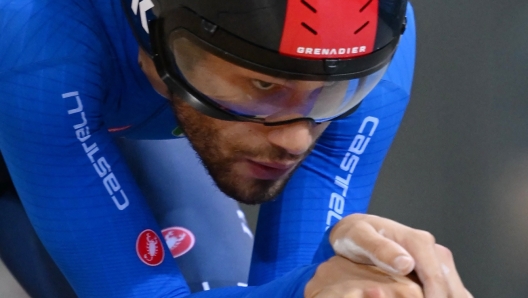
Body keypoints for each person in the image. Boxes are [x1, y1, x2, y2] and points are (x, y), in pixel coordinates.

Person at [0, 0, 470, 296]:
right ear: (155, 34)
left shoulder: (362, 42)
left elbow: (302, 281)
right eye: (263, 83)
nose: (294, 138)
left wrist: (362, 276)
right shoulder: (41, 43)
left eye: (332, 92)